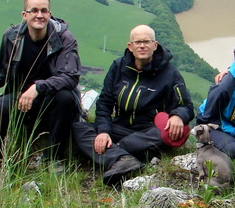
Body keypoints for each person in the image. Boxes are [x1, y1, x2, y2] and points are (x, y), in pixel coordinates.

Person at [72, 24, 194, 184]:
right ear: (130, 46)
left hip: (148, 131)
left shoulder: (170, 73)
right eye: (137, 42)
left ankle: (113, 154)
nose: (142, 46)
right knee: (77, 128)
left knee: (161, 136)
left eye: (147, 41)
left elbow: (186, 106)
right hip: (120, 126)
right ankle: (124, 158)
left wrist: (178, 116)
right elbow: (104, 103)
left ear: (155, 45)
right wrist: (103, 131)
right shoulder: (118, 67)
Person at [0, 0, 82, 169]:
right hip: (20, 98)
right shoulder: (12, 37)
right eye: (34, 10)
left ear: (50, 14)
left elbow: (70, 77)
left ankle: (53, 159)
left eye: (44, 10)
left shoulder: (64, 38)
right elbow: (3, 67)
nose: (39, 15)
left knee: (66, 98)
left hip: (53, 99)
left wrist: (38, 87)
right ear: (24, 15)